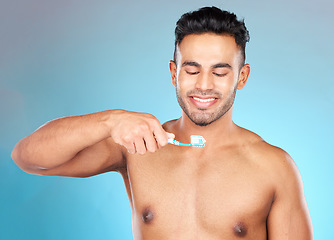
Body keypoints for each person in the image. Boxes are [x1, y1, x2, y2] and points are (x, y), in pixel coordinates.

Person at [11, 6, 313, 240]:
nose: (204, 85)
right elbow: (27, 157)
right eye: (192, 70)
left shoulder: (274, 166)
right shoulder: (139, 146)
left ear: (242, 77)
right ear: (174, 73)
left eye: (220, 72)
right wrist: (111, 120)